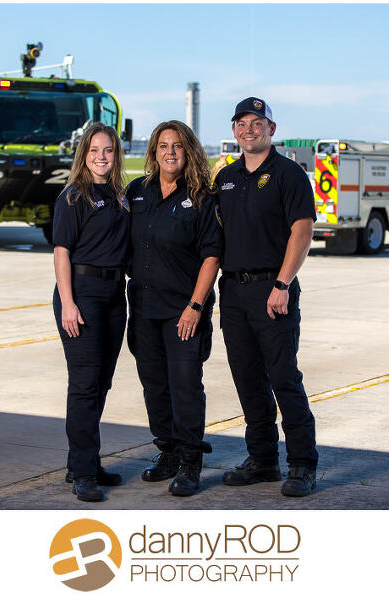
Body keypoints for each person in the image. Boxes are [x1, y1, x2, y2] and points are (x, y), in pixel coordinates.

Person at [213, 97, 319, 497]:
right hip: (234, 293)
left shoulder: (288, 174)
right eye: (241, 123)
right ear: (234, 130)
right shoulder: (225, 176)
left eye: (257, 122)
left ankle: (303, 464)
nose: (248, 129)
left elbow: (302, 231)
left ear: (271, 129)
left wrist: (283, 283)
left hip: (272, 290)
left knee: (283, 378)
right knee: (247, 379)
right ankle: (262, 459)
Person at [126, 120, 222, 496]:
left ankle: (190, 461)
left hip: (183, 310)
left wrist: (196, 306)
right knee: (154, 384)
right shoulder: (137, 192)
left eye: (177, 146)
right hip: (144, 308)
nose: (170, 152)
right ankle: (167, 451)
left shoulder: (200, 198)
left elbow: (212, 256)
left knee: (185, 385)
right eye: (163, 145)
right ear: (153, 152)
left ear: (188, 152)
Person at [52, 123, 130, 502]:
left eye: (109, 150)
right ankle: (84, 473)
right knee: (84, 385)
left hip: (115, 295)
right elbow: (62, 252)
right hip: (81, 295)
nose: (101, 156)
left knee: (101, 383)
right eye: (95, 150)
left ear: (116, 155)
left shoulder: (121, 196)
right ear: (84, 154)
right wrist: (68, 303)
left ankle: (82, 460)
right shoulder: (72, 197)